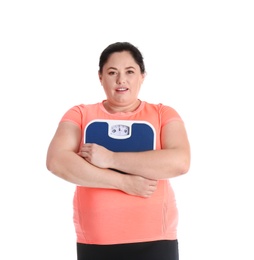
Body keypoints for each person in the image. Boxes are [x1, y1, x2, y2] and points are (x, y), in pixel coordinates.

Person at [46, 42, 191, 260]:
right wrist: (123, 182)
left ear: (142, 76)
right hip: (97, 240)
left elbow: (179, 162)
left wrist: (110, 158)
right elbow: (57, 161)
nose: (121, 79)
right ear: (100, 77)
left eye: (129, 72)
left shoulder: (163, 114)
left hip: (156, 240)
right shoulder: (80, 114)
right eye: (112, 72)